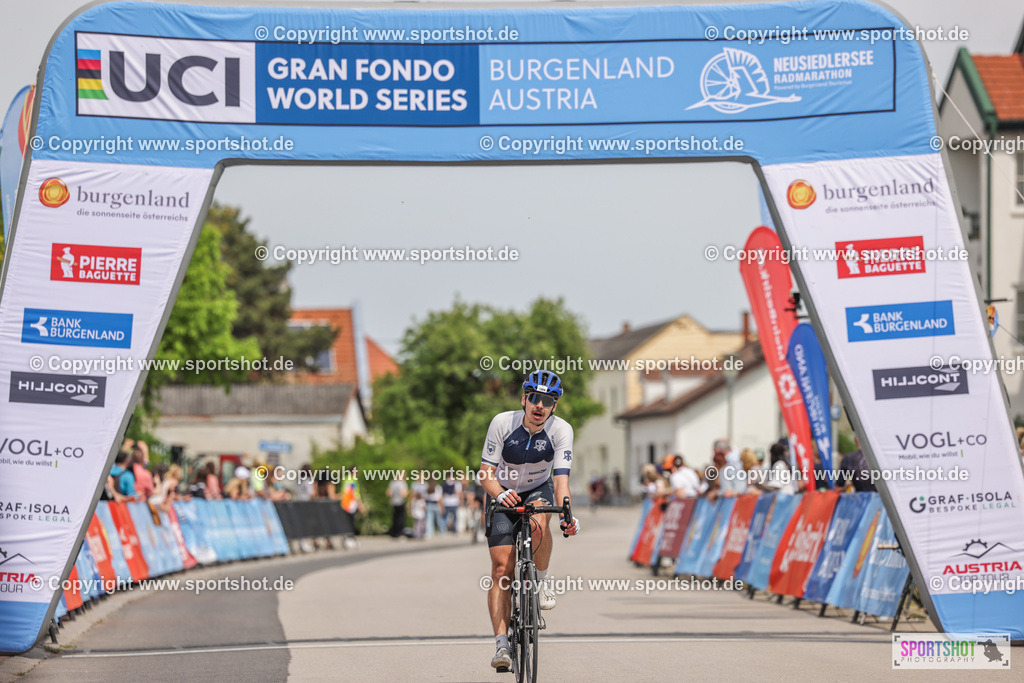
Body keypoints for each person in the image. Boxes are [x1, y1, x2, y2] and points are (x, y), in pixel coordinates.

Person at [479, 370, 579, 671]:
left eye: (547, 401)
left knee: (539, 523)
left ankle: (542, 582)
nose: (539, 406)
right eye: (534, 398)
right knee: (501, 570)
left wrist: (567, 514)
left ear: (554, 406)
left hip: (538, 488)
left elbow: (561, 482)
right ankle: (502, 645)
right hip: (502, 491)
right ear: (524, 399)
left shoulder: (561, 430)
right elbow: (485, 472)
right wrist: (499, 494)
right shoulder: (502, 423)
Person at [388, 472, 409, 538]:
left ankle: (394, 533)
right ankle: (399, 533)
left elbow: (389, 493)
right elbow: (404, 494)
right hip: (400, 501)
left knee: (395, 518)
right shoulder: (403, 483)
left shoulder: (393, 483)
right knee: (401, 518)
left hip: (394, 502)